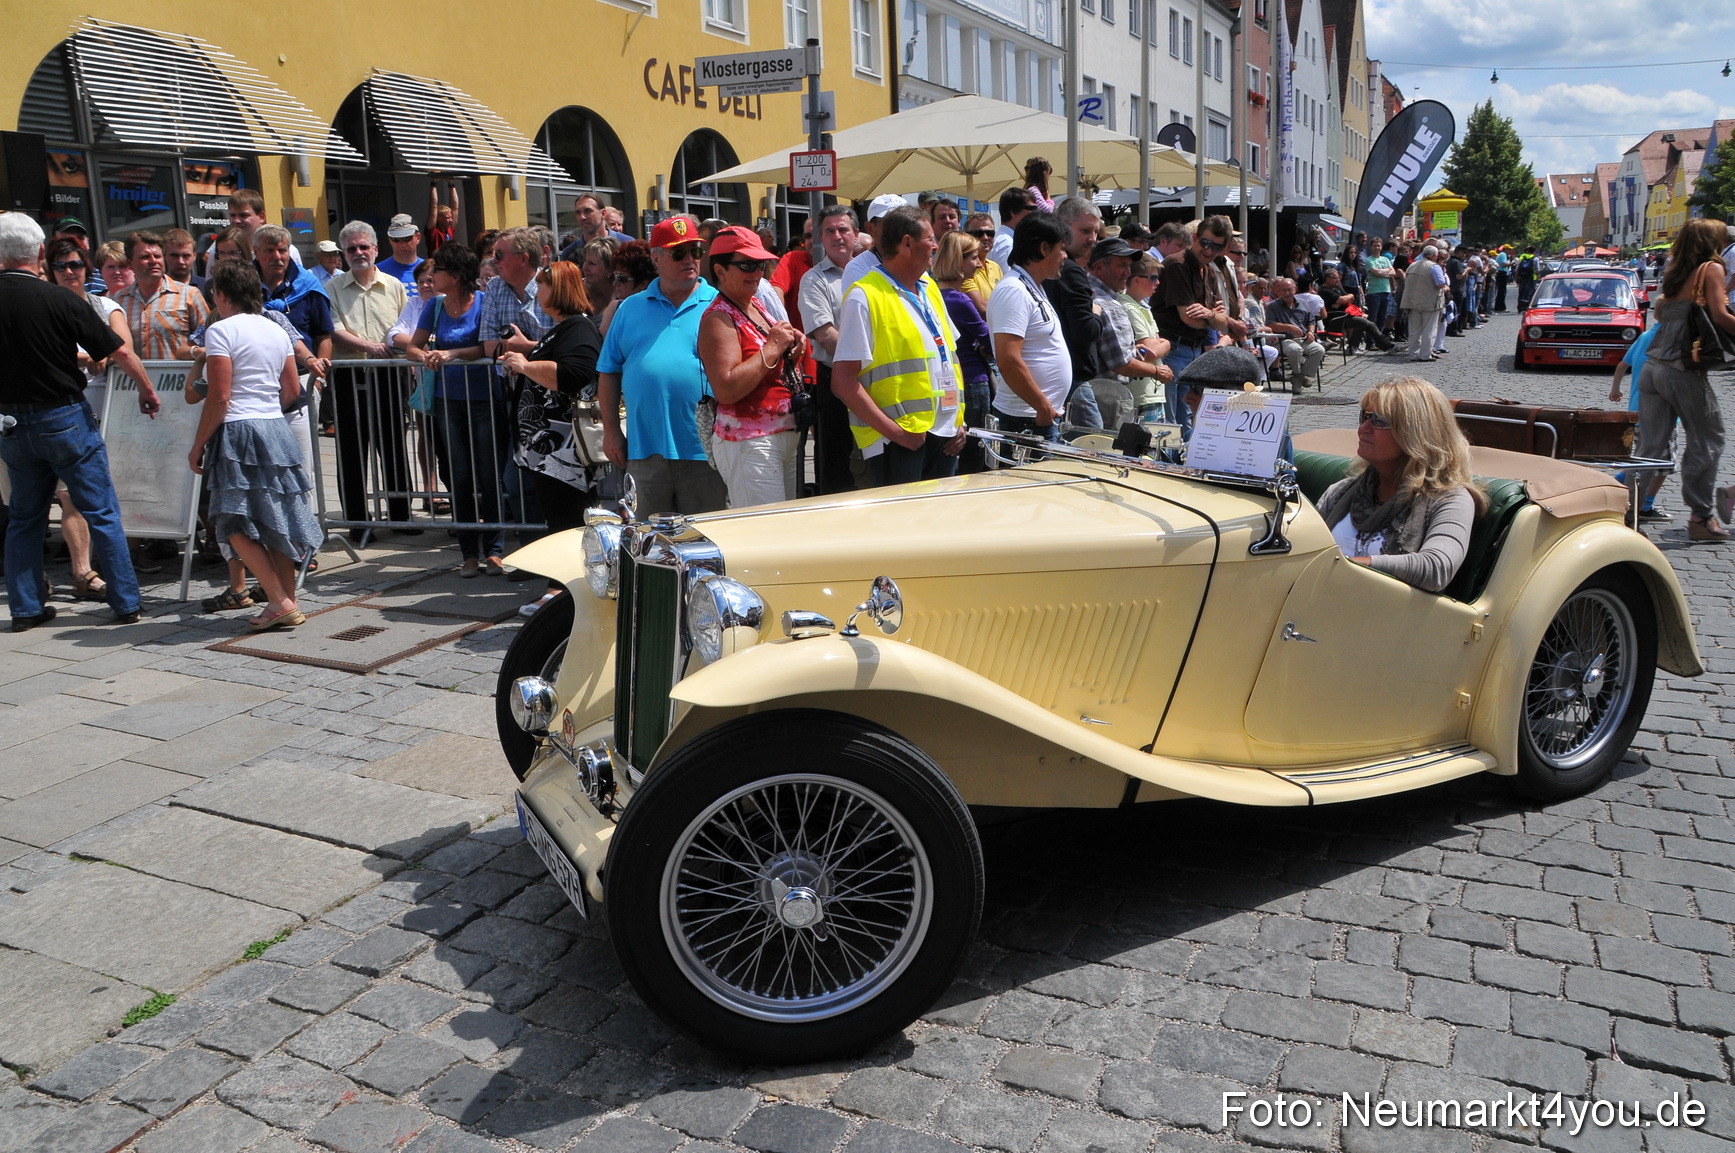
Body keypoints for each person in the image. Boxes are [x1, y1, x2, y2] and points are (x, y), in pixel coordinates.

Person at [0, 213, 159, 629]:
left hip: (11, 421)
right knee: (101, 511)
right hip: (63, 416)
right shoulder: (60, 299)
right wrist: (146, 388)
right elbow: (118, 350)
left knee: (24, 518)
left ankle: (25, 609)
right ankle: (126, 602)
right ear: (39, 252)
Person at [186, 260, 322, 630]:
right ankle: (286, 602)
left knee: (231, 522)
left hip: (238, 430)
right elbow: (291, 390)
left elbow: (219, 397)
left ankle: (280, 600)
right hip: (275, 426)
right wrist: (265, 413)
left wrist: (198, 445)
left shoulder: (220, 330)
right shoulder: (276, 329)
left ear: (221, 294)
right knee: (274, 520)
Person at [597, 215, 727, 514]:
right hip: (645, 451)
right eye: (678, 253)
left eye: (695, 251)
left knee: (705, 536)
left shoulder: (718, 304)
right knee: (648, 536)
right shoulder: (630, 308)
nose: (690, 259)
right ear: (656, 259)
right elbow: (608, 371)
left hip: (706, 449)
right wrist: (611, 432)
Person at [498, 261, 604, 615]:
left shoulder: (578, 327)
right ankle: (566, 589)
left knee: (566, 520)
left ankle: (562, 591)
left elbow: (575, 374)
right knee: (561, 517)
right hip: (552, 450)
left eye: (542, 285)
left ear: (558, 289)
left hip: (564, 450)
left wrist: (525, 366)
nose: (537, 292)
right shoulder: (564, 328)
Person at [831, 205, 963, 485]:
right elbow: (843, 382)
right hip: (897, 442)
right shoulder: (864, 296)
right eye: (930, 239)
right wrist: (898, 434)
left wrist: (957, 420)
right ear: (907, 244)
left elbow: (948, 355)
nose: (936, 246)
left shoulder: (929, 288)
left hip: (944, 435)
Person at [1315, 377, 1483, 593]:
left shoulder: (1450, 499)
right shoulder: (1341, 491)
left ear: (1416, 433)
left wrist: (1347, 566)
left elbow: (1437, 568)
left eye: (1379, 421)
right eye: (1365, 416)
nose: (1363, 429)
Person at [405, 244, 507, 574]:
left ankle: (495, 549)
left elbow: (487, 348)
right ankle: (469, 553)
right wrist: (427, 356)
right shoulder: (434, 306)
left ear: (458, 275)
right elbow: (412, 347)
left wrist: (454, 353)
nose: (431, 275)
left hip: (484, 399)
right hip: (447, 400)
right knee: (459, 476)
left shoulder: (484, 302)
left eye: (439, 270)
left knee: (489, 475)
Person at [45, 235, 135, 602]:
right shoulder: (45, 305)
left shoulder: (105, 306)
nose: (69, 272)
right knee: (69, 495)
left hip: (106, 409)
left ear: (87, 268)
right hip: (59, 409)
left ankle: (112, 564)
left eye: (76, 265)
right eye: (61, 266)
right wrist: (88, 356)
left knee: (103, 492)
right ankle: (82, 571)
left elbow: (123, 347)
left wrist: (105, 354)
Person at [1640, 218, 1735, 542]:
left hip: (1653, 366)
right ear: (1712, 241)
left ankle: (1623, 510)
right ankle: (1700, 518)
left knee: (1650, 446)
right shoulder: (1711, 269)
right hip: (1683, 369)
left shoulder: (1674, 270)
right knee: (1708, 440)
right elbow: (1720, 315)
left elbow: (1665, 313)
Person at [697, 228, 806, 507]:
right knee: (766, 530)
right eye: (746, 265)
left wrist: (793, 344)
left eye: (761, 264)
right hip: (750, 441)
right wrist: (772, 347)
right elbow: (726, 389)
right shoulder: (718, 318)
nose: (757, 272)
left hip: (779, 435)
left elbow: (773, 352)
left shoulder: (755, 304)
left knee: (783, 527)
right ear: (720, 271)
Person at [326, 221, 413, 530]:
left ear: (376, 249)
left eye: (364, 246)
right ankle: (357, 521)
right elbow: (334, 329)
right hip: (348, 377)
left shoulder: (394, 286)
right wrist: (370, 346)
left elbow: (406, 326)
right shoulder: (331, 288)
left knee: (393, 445)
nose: (358, 252)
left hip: (387, 376)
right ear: (343, 253)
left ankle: (401, 516)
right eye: (351, 248)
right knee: (351, 450)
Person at [987, 211, 1071, 442]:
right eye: (1062, 248)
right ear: (1044, 248)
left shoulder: (1030, 286)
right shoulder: (1013, 290)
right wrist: (1042, 406)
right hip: (1025, 420)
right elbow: (1008, 360)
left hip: (1035, 417)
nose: (1065, 256)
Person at [1154, 216, 1234, 435]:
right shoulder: (1177, 264)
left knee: (1188, 419)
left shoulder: (1208, 270)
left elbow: (1222, 322)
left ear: (1223, 248)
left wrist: (1210, 314)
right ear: (1195, 238)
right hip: (1172, 349)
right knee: (1170, 425)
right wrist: (1213, 316)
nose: (1208, 251)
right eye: (1205, 243)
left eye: (1216, 247)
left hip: (1193, 351)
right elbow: (1189, 318)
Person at [800, 205, 859, 494]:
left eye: (843, 229)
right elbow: (825, 335)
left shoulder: (874, 275)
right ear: (821, 239)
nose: (837, 236)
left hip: (877, 382)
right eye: (829, 231)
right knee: (836, 468)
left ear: (856, 234)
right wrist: (867, 361)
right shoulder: (814, 280)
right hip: (834, 382)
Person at [1086, 235, 1169, 429]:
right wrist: (1157, 371)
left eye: (1129, 266)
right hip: (1106, 400)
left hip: (1096, 395)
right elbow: (1121, 363)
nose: (1128, 272)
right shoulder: (1107, 303)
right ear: (1099, 267)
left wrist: (1133, 349)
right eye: (1122, 266)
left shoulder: (1089, 293)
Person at [934, 230, 994, 473]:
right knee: (975, 456)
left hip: (952, 382)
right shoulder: (959, 300)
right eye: (973, 258)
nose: (979, 264)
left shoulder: (935, 295)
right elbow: (989, 339)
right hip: (973, 381)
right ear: (958, 260)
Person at [1048, 197, 1107, 428]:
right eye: (1085, 231)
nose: (1092, 239)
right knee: (1093, 441)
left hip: (1060, 375)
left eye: (1095, 231)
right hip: (1073, 377)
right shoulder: (1070, 271)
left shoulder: (1055, 267)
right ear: (1063, 228)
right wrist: (1096, 313)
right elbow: (1085, 331)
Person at [115, 231, 210, 360]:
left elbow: (209, 338)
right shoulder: (119, 300)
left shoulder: (189, 295)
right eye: (145, 257)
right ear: (130, 263)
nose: (153, 261)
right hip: (133, 373)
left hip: (178, 373)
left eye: (157, 256)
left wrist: (193, 352)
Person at [1608, 323, 1669, 521]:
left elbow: (1622, 364)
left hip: (1636, 411)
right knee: (1663, 464)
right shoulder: (1671, 338)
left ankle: (1622, 480)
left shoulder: (1644, 336)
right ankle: (1644, 505)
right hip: (1660, 415)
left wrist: (1615, 389)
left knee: (1642, 457)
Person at [841, 195, 908, 299]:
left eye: (906, 222)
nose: (900, 228)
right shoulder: (856, 269)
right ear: (871, 228)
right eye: (891, 223)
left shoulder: (916, 262)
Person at [1265, 278, 1327, 387]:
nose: (1287, 293)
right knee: (1295, 350)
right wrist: (1289, 327)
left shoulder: (1304, 304)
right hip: (1283, 340)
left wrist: (1310, 332)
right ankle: (1299, 376)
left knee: (1319, 350)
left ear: (1295, 289)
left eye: (1289, 290)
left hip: (1303, 338)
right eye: (1284, 290)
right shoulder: (1273, 306)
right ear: (1279, 291)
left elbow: (1311, 321)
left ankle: (1299, 376)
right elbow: (1270, 325)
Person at [598, 241, 655, 338]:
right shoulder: (615, 308)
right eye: (614, 276)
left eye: (621, 278)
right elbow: (605, 344)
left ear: (643, 284)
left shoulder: (661, 310)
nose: (615, 283)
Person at [1400, 245, 1446, 363]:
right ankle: (1425, 354)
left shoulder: (1412, 265)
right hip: (1429, 302)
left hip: (1412, 302)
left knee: (1414, 330)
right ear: (1434, 256)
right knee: (1429, 329)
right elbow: (1440, 283)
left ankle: (1413, 354)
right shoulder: (1434, 267)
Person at [959, 213, 1002, 314]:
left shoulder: (995, 267)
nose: (985, 237)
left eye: (990, 233)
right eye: (979, 233)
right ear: (966, 236)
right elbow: (982, 308)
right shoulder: (963, 268)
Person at [990, 187, 1035, 273]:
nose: (1035, 213)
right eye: (1031, 208)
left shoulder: (1000, 238)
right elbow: (1008, 276)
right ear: (1014, 211)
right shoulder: (1008, 244)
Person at [376, 214, 424, 286]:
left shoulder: (431, 270)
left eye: (406, 238)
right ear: (389, 239)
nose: (401, 244)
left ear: (418, 238)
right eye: (395, 239)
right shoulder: (377, 272)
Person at [1364, 238, 1399, 338]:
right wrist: (1386, 271)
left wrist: (1382, 272)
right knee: (1373, 319)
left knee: (1382, 319)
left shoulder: (1385, 259)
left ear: (1381, 247)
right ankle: (1370, 341)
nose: (1377, 248)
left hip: (1386, 291)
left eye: (1378, 246)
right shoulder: (1369, 260)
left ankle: (1379, 340)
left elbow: (1393, 272)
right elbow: (1376, 272)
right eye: (1375, 246)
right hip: (1374, 293)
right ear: (1371, 247)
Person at [578, 238, 618, 319]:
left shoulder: (621, 295)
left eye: (592, 263)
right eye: (584, 261)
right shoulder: (577, 293)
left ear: (610, 269)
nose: (585, 267)